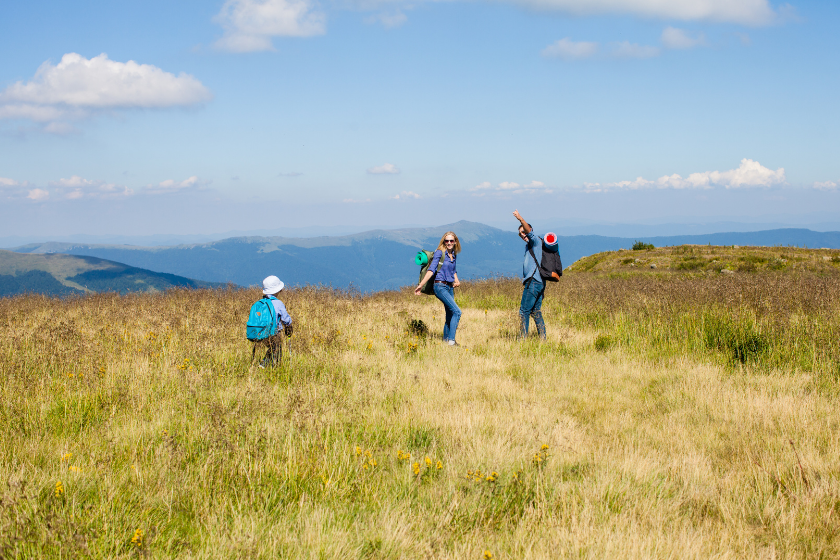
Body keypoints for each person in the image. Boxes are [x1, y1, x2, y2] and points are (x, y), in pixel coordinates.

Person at [414, 231, 462, 346]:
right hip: (440, 286)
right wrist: (420, 285)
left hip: (450, 287)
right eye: (447, 241)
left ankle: (446, 342)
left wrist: (456, 280)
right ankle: (451, 341)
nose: (449, 243)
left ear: (455, 242)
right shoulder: (439, 253)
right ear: (443, 242)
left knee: (450, 314)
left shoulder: (453, 254)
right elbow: (431, 270)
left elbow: (453, 270)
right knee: (457, 311)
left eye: (451, 240)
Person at [513, 210, 546, 339]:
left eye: (524, 231)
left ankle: (522, 339)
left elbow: (529, 232)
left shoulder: (536, 241)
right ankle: (543, 339)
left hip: (533, 282)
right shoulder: (530, 246)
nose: (523, 234)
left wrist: (520, 218)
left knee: (524, 311)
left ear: (530, 230)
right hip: (539, 282)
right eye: (521, 233)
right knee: (535, 311)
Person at [258, 275, 293, 368]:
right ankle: (271, 368)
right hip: (274, 332)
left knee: (272, 348)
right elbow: (286, 319)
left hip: (260, 331)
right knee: (277, 350)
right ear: (277, 290)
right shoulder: (278, 303)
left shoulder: (261, 303)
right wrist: (288, 327)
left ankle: (263, 365)